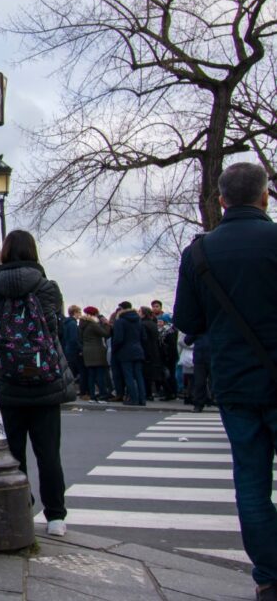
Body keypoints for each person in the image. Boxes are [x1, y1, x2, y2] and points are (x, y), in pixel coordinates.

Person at [173, 162, 277, 601]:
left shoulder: (199, 253)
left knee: (251, 482)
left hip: (235, 380)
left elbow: (188, 321)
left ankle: (269, 576)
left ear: (221, 200)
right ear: (265, 196)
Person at [0, 230, 74, 538]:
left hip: (7, 383)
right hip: (45, 380)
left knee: (14, 454)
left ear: (3, 253)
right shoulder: (47, 288)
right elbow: (54, 329)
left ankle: (22, 505)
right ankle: (56, 517)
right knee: (49, 454)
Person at [111, 301, 147, 406]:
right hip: (138, 350)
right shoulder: (138, 320)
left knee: (129, 376)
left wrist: (115, 350)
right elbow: (144, 337)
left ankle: (133, 399)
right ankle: (142, 399)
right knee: (139, 376)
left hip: (125, 351)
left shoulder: (120, 321)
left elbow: (118, 339)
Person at [80, 306, 112, 402]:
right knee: (100, 374)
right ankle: (103, 395)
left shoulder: (82, 324)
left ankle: (92, 396)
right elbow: (105, 333)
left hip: (87, 351)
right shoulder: (93, 324)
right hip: (97, 351)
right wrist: (106, 324)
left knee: (91, 375)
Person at [62, 305, 86, 399]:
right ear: (75, 313)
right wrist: (80, 349)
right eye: (79, 312)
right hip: (74, 351)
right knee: (81, 371)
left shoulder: (66, 323)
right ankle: (82, 392)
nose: (80, 314)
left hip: (68, 350)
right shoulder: (73, 324)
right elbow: (74, 339)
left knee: (71, 372)